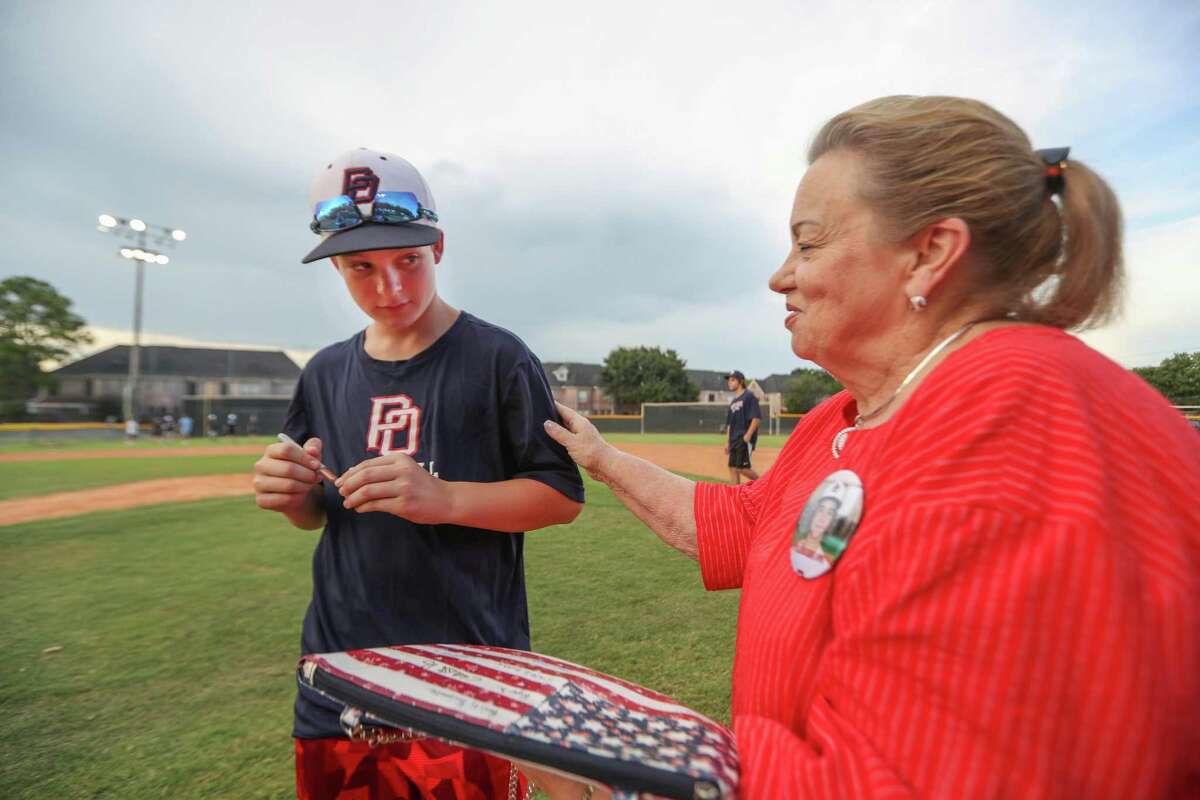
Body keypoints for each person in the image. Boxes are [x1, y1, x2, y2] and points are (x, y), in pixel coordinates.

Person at [541, 96, 1200, 798]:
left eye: (810, 241)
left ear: (929, 254)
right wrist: (603, 457)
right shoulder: (847, 415)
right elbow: (742, 527)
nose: (780, 275)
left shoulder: (1012, 432)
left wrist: (623, 768)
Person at [251, 147, 584, 800]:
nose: (391, 288)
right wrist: (292, 497)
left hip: (467, 685)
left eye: (408, 260)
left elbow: (560, 496)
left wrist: (446, 497)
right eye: (361, 268)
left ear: (437, 244)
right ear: (337, 266)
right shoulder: (323, 372)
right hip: (338, 684)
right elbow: (319, 511)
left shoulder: (497, 358)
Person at [723, 370, 761, 484]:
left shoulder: (749, 396)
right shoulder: (733, 402)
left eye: (732, 380)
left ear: (741, 381)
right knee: (733, 468)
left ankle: (765, 486)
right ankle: (735, 497)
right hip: (733, 439)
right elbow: (730, 424)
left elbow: (756, 418)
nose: (729, 382)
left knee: (742, 468)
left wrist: (748, 435)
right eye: (729, 380)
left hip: (743, 437)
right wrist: (727, 441)